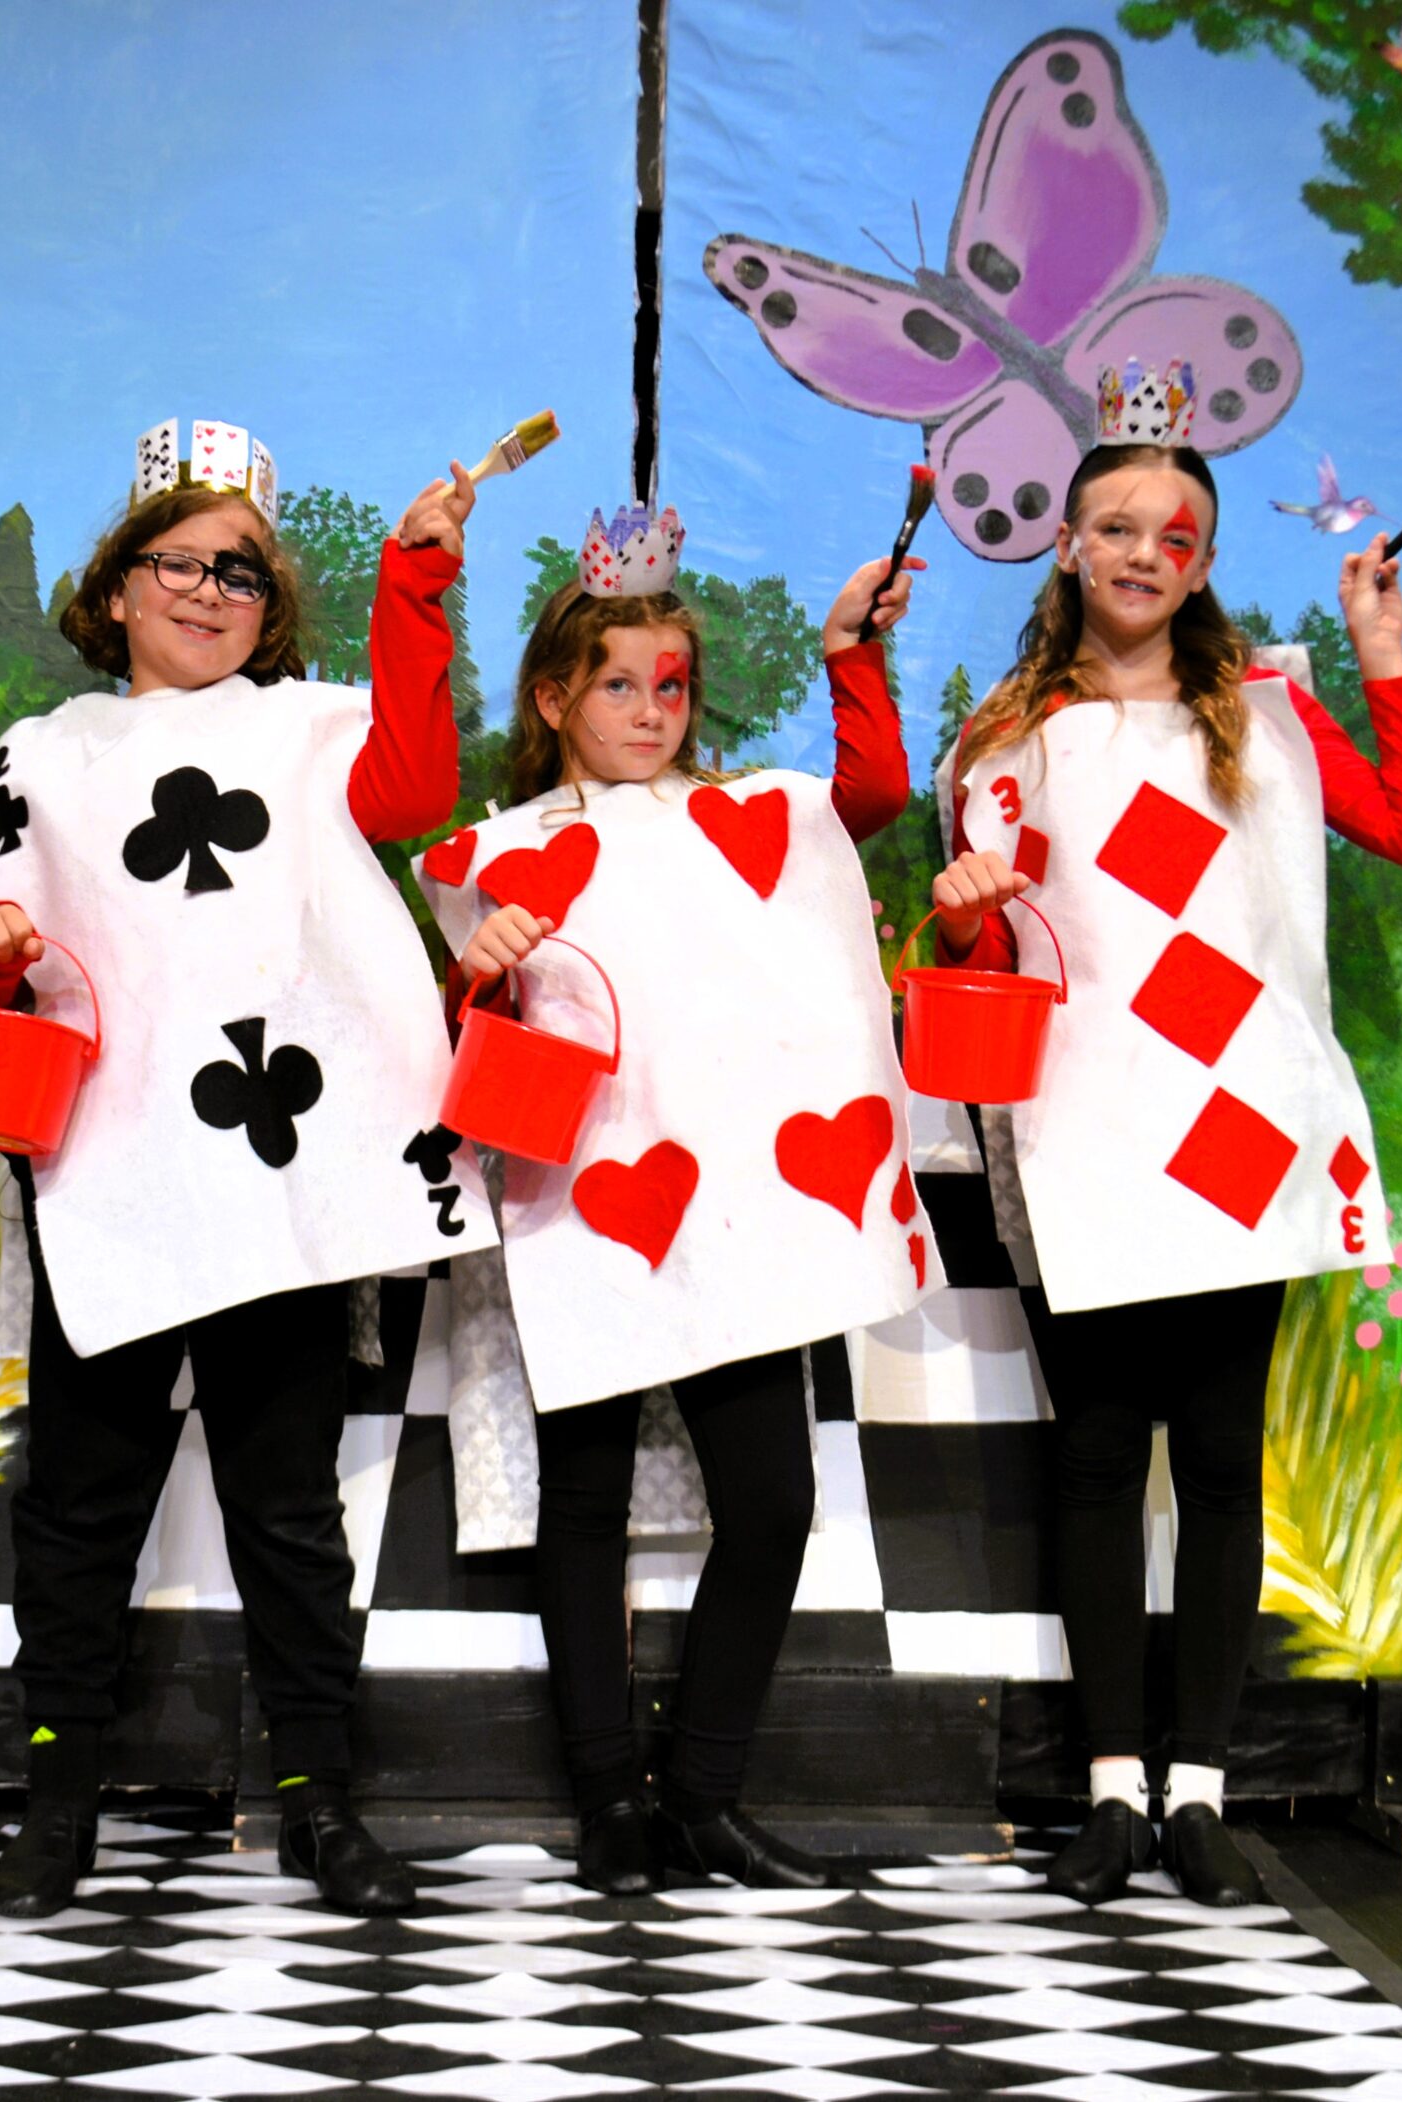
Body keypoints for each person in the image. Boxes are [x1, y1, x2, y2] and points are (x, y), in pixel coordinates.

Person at [0, 421, 488, 1918]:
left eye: (240, 571)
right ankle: (57, 1801)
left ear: (271, 604)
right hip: (113, 1175)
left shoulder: (313, 729)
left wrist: (416, 585)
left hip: (275, 1180)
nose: (207, 589)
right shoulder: (41, 759)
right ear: (116, 586)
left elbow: (414, 791)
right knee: (78, 1508)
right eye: (178, 562)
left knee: (288, 1509)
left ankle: (318, 1796)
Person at [927, 367, 1402, 1905]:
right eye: (1116, 525)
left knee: (1222, 1456)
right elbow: (989, 959)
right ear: (1069, 544)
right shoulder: (1009, 740)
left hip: (1242, 1126)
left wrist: (1382, 658)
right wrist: (957, 917)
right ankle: (1111, 1793)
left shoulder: (1269, 715)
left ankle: (1202, 1795)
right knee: (1097, 1455)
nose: (1143, 552)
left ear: (1206, 558)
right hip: (1087, 1124)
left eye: (1174, 532)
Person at [417, 501, 933, 1893]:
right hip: (583, 1200)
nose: (651, 711)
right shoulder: (497, 848)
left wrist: (854, 658)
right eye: (619, 685)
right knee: (581, 1504)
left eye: (673, 685)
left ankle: (703, 1793)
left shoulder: (744, 814)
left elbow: (871, 799)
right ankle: (609, 1804)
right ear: (553, 697)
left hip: (733, 1212)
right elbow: (471, 1038)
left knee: (770, 1500)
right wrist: (484, 965)